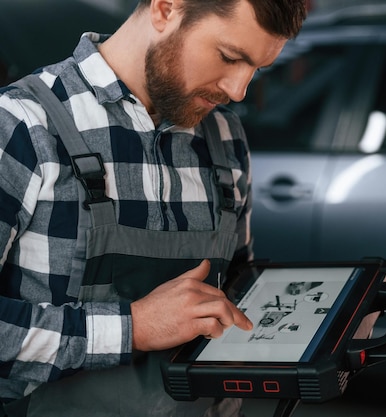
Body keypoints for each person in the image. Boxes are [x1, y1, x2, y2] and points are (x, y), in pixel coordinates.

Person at [0, 0, 307, 416]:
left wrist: (314, 329)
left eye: (256, 69)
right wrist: (134, 327)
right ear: (165, 9)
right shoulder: (22, 126)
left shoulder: (225, 138)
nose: (238, 91)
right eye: (230, 57)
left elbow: (236, 296)